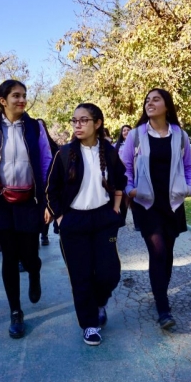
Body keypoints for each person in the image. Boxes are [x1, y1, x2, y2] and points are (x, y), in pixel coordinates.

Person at [0, 79, 52, 339]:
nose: (21, 100)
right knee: (8, 258)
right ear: (2, 100)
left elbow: (46, 162)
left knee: (29, 256)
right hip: (1, 203)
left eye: (24, 95)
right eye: (15, 96)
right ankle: (16, 312)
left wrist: (48, 200)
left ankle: (35, 272)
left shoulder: (36, 127)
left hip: (30, 201)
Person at [45, 103, 126, 346]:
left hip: (103, 220)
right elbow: (51, 190)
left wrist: (115, 209)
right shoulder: (64, 153)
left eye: (83, 120)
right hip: (74, 222)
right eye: (74, 121)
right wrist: (61, 218)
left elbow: (121, 180)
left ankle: (99, 302)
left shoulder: (109, 152)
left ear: (97, 123)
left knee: (109, 273)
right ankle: (90, 324)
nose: (77, 125)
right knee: (80, 277)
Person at [121, 88, 191, 329]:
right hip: (146, 203)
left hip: (173, 202)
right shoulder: (135, 135)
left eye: (156, 99)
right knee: (158, 252)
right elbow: (124, 168)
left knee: (169, 252)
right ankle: (163, 308)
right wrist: (131, 190)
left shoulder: (180, 135)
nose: (149, 103)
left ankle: (160, 294)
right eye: (147, 100)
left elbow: (188, 166)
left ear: (167, 105)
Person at [37, 119, 59, 247]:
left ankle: (44, 234)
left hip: (48, 182)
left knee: (46, 209)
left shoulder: (53, 145)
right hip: (36, 182)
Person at [113, 124, 134, 226]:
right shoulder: (115, 146)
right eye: (124, 130)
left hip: (132, 175)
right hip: (120, 175)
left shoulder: (136, 145)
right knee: (121, 197)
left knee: (133, 199)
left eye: (128, 130)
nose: (126, 132)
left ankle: (138, 222)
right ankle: (122, 219)